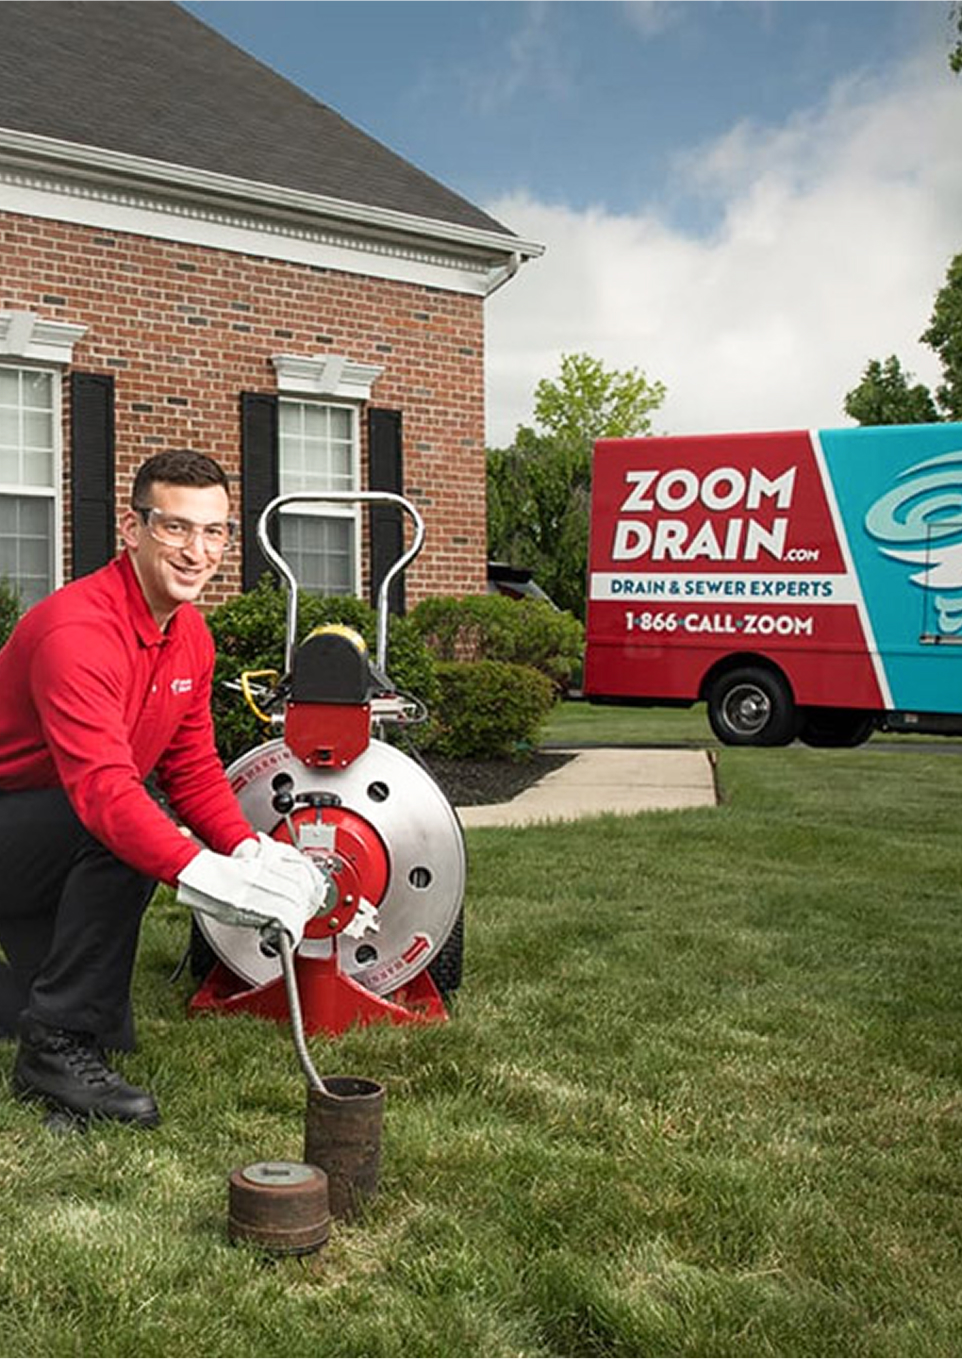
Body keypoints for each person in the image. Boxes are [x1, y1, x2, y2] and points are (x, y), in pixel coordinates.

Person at [0, 449, 328, 1128]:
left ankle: (52, 1034)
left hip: (43, 836)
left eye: (214, 531)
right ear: (132, 527)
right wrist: (202, 870)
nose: (196, 550)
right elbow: (103, 794)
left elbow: (192, 765)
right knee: (126, 829)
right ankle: (53, 1049)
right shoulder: (78, 631)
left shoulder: (190, 635)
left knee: (107, 1027)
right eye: (175, 527)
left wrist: (248, 850)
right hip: (18, 827)